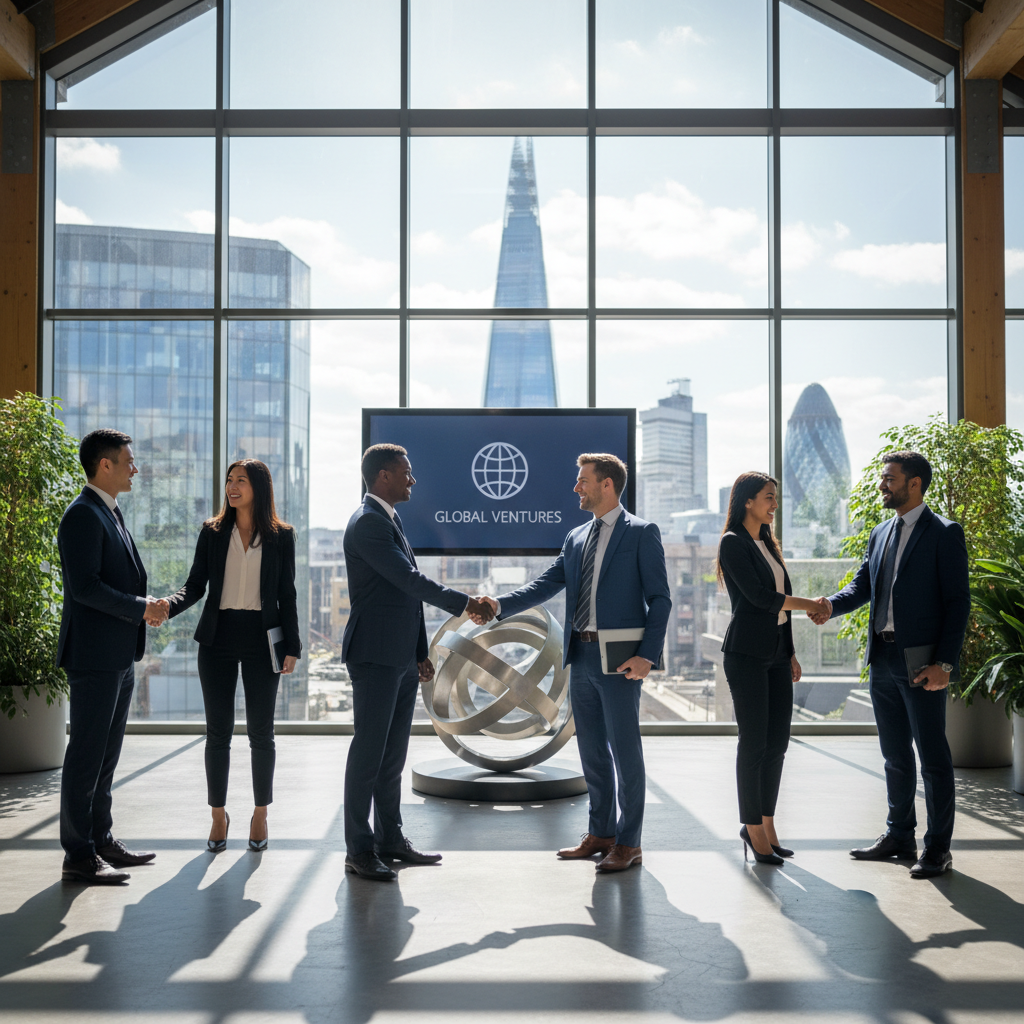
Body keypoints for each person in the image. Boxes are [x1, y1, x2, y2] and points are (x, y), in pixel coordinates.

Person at [474, 453, 671, 873]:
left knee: (625, 753)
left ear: (607, 484)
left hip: (620, 660)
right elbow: (546, 584)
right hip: (580, 655)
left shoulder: (642, 533)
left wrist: (647, 656)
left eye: (583, 480)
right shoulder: (576, 536)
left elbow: (660, 600)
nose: (576, 487)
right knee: (592, 752)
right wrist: (498, 605)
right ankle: (601, 833)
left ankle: (629, 843)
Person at [342, 444, 494, 881]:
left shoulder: (389, 519)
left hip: (399, 656)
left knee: (391, 758)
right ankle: (359, 850)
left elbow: (403, 597)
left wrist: (418, 653)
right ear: (384, 476)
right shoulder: (368, 523)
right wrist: (466, 604)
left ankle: (390, 840)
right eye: (406, 472)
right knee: (368, 756)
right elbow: (409, 580)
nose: (413, 480)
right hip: (374, 655)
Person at [814, 451, 969, 879]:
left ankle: (937, 849)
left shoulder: (944, 533)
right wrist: (830, 605)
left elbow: (958, 603)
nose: (882, 485)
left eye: (889, 479)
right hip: (882, 659)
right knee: (894, 755)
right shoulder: (880, 532)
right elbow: (863, 584)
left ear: (914, 483)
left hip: (921, 662)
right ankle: (899, 835)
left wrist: (944, 664)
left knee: (933, 758)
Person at [164, 459, 300, 854]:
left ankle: (260, 813)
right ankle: (218, 815)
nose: (232, 486)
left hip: (263, 639)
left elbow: (287, 594)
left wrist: (292, 646)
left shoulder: (282, 536)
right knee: (218, 732)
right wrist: (166, 607)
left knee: (261, 732)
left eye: (241, 480)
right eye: (229, 480)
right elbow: (195, 585)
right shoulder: (212, 532)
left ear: (259, 487)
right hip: (218, 638)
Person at [57, 429, 165, 884]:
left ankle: (100, 840)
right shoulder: (83, 514)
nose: (135, 468)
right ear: (105, 465)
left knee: (105, 758)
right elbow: (85, 588)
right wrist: (141, 608)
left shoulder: (109, 511)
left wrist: (143, 608)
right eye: (128, 461)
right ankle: (78, 854)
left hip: (117, 656)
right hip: (95, 656)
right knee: (86, 756)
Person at [716, 472, 825, 866]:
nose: (774, 505)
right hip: (746, 654)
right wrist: (811, 604)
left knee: (777, 744)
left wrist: (790, 652)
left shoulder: (767, 543)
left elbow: (780, 608)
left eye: (775, 498)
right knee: (754, 743)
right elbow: (761, 598)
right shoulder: (733, 543)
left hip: (777, 652)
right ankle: (751, 826)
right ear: (747, 501)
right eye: (768, 497)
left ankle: (766, 823)